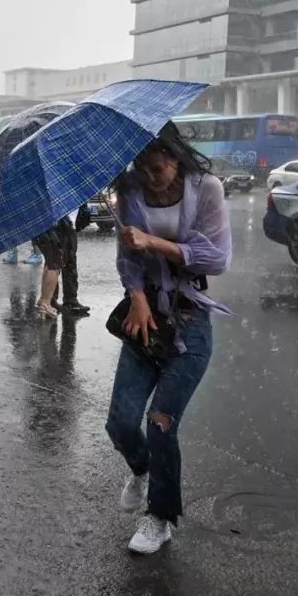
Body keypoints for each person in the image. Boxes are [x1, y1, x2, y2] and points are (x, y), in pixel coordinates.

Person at [105, 124, 232, 554]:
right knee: (120, 423)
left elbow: (217, 258)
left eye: (157, 167)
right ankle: (141, 470)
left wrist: (154, 241)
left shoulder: (207, 188)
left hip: (190, 323)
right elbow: (128, 260)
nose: (150, 175)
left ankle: (160, 518)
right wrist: (137, 297)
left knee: (160, 422)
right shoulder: (129, 191)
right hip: (144, 321)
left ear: (175, 156)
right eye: (141, 166)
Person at [35, 205, 91, 319]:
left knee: (52, 263)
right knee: (57, 265)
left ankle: (47, 300)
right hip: (62, 226)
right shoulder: (64, 190)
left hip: (50, 225)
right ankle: (50, 302)